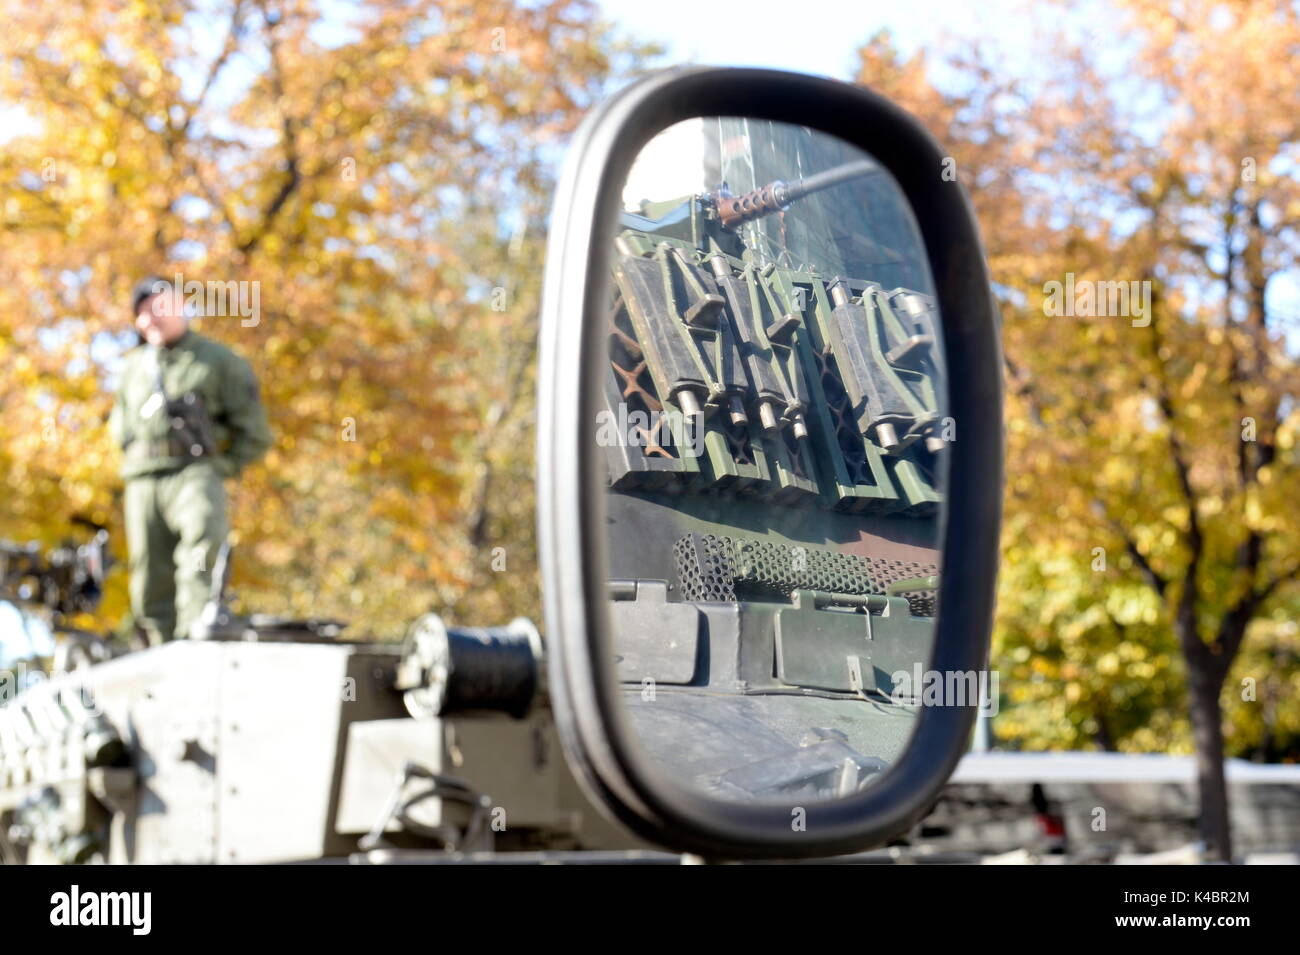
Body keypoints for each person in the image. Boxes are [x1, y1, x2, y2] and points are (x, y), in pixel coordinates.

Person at [108, 277, 272, 644]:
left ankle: (196, 642)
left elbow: (254, 432)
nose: (151, 318)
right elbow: (119, 428)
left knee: (199, 556)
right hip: (142, 480)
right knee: (148, 575)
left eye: (160, 306)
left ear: (181, 305)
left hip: (194, 472)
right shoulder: (132, 368)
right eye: (143, 312)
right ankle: (158, 651)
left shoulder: (219, 361)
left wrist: (221, 467)